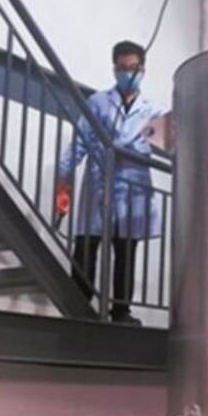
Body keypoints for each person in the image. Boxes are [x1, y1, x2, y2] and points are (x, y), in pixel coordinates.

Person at [56, 40, 169, 324]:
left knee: (125, 251)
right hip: (99, 184)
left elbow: (168, 146)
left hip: (133, 190)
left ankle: (121, 312)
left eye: (133, 68)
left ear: (143, 70)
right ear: (114, 70)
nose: (128, 73)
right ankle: (78, 308)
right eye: (122, 68)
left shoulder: (154, 111)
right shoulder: (98, 103)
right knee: (86, 246)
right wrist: (63, 188)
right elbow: (79, 144)